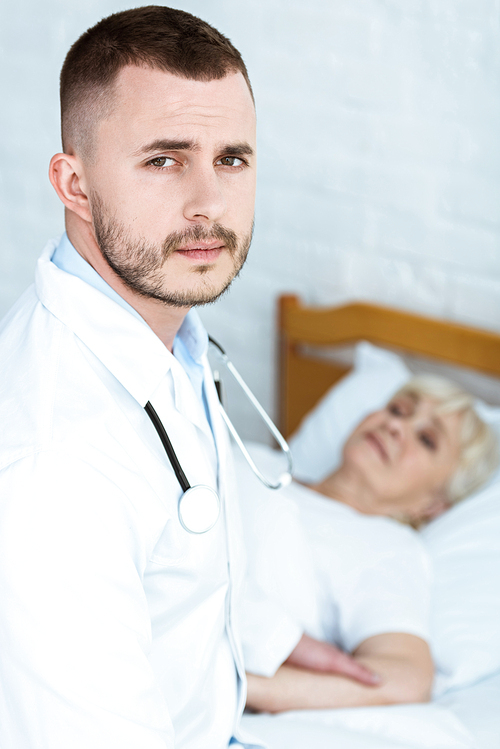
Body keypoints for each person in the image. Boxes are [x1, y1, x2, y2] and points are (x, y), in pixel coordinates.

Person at [0, 7, 373, 748]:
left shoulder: (165, 328)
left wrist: (271, 638)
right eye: (164, 159)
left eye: (231, 158)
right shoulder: (54, 467)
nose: (208, 204)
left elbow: (177, 529)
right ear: (74, 184)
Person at [237, 376, 498, 713]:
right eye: (398, 409)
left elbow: (405, 679)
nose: (394, 426)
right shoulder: (258, 460)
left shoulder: (387, 548)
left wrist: (242, 686)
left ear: (434, 504)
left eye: (426, 439)